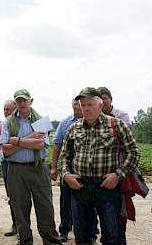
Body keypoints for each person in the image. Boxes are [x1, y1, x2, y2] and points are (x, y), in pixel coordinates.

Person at [60, 87, 140, 245]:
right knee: (82, 237)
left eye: (90, 104)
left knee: (112, 236)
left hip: (107, 188)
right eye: (83, 105)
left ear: (100, 105)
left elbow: (134, 153)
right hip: (79, 188)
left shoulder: (117, 125)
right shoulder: (73, 128)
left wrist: (118, 175)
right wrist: (66, 175)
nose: (86, 108)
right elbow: (65, 155)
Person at [0, 89, 61, 245]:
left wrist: (17, 141)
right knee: (20, 208)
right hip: (16, 169)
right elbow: (5, 150)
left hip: (38, 168)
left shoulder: (41, 121)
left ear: (31, 101)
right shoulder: (7, 122)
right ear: (15, 103)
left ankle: (51, 241)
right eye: (18, 100)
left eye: (24, 100)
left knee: (45, 207)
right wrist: (30, 139)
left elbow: (40, 144)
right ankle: (25, 241)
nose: (22, 103)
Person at [97, 86, 132, 245]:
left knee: (118, 214)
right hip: (98, 174)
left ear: (111, 99)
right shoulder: (92, 118)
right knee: (102, 215)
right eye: (99, 98)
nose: (102, 101)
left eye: (104, 98)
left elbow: (126, 146)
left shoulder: (121, 117)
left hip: (118, 171)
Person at [51, 99, 83, 242]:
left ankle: (88, 229)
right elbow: (57, 145)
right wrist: (54, 167)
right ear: (72, 106)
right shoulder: (65, 123)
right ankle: (64, 229)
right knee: (65, 201)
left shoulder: (93, 122)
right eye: (75, 104)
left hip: (85, 170)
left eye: (80, 104)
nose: (78, 107)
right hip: (67, 169)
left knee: (88, 201)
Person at [0, 100, 18, 237]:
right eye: (4, 109)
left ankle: (21, 225)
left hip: (17, 163)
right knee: (11, 194)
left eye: (9, 109)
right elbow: (2, 146)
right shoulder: (1, 126)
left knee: (21, 196)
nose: (6, 112)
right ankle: (15, 224)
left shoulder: (18, 124)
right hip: (6, 162)